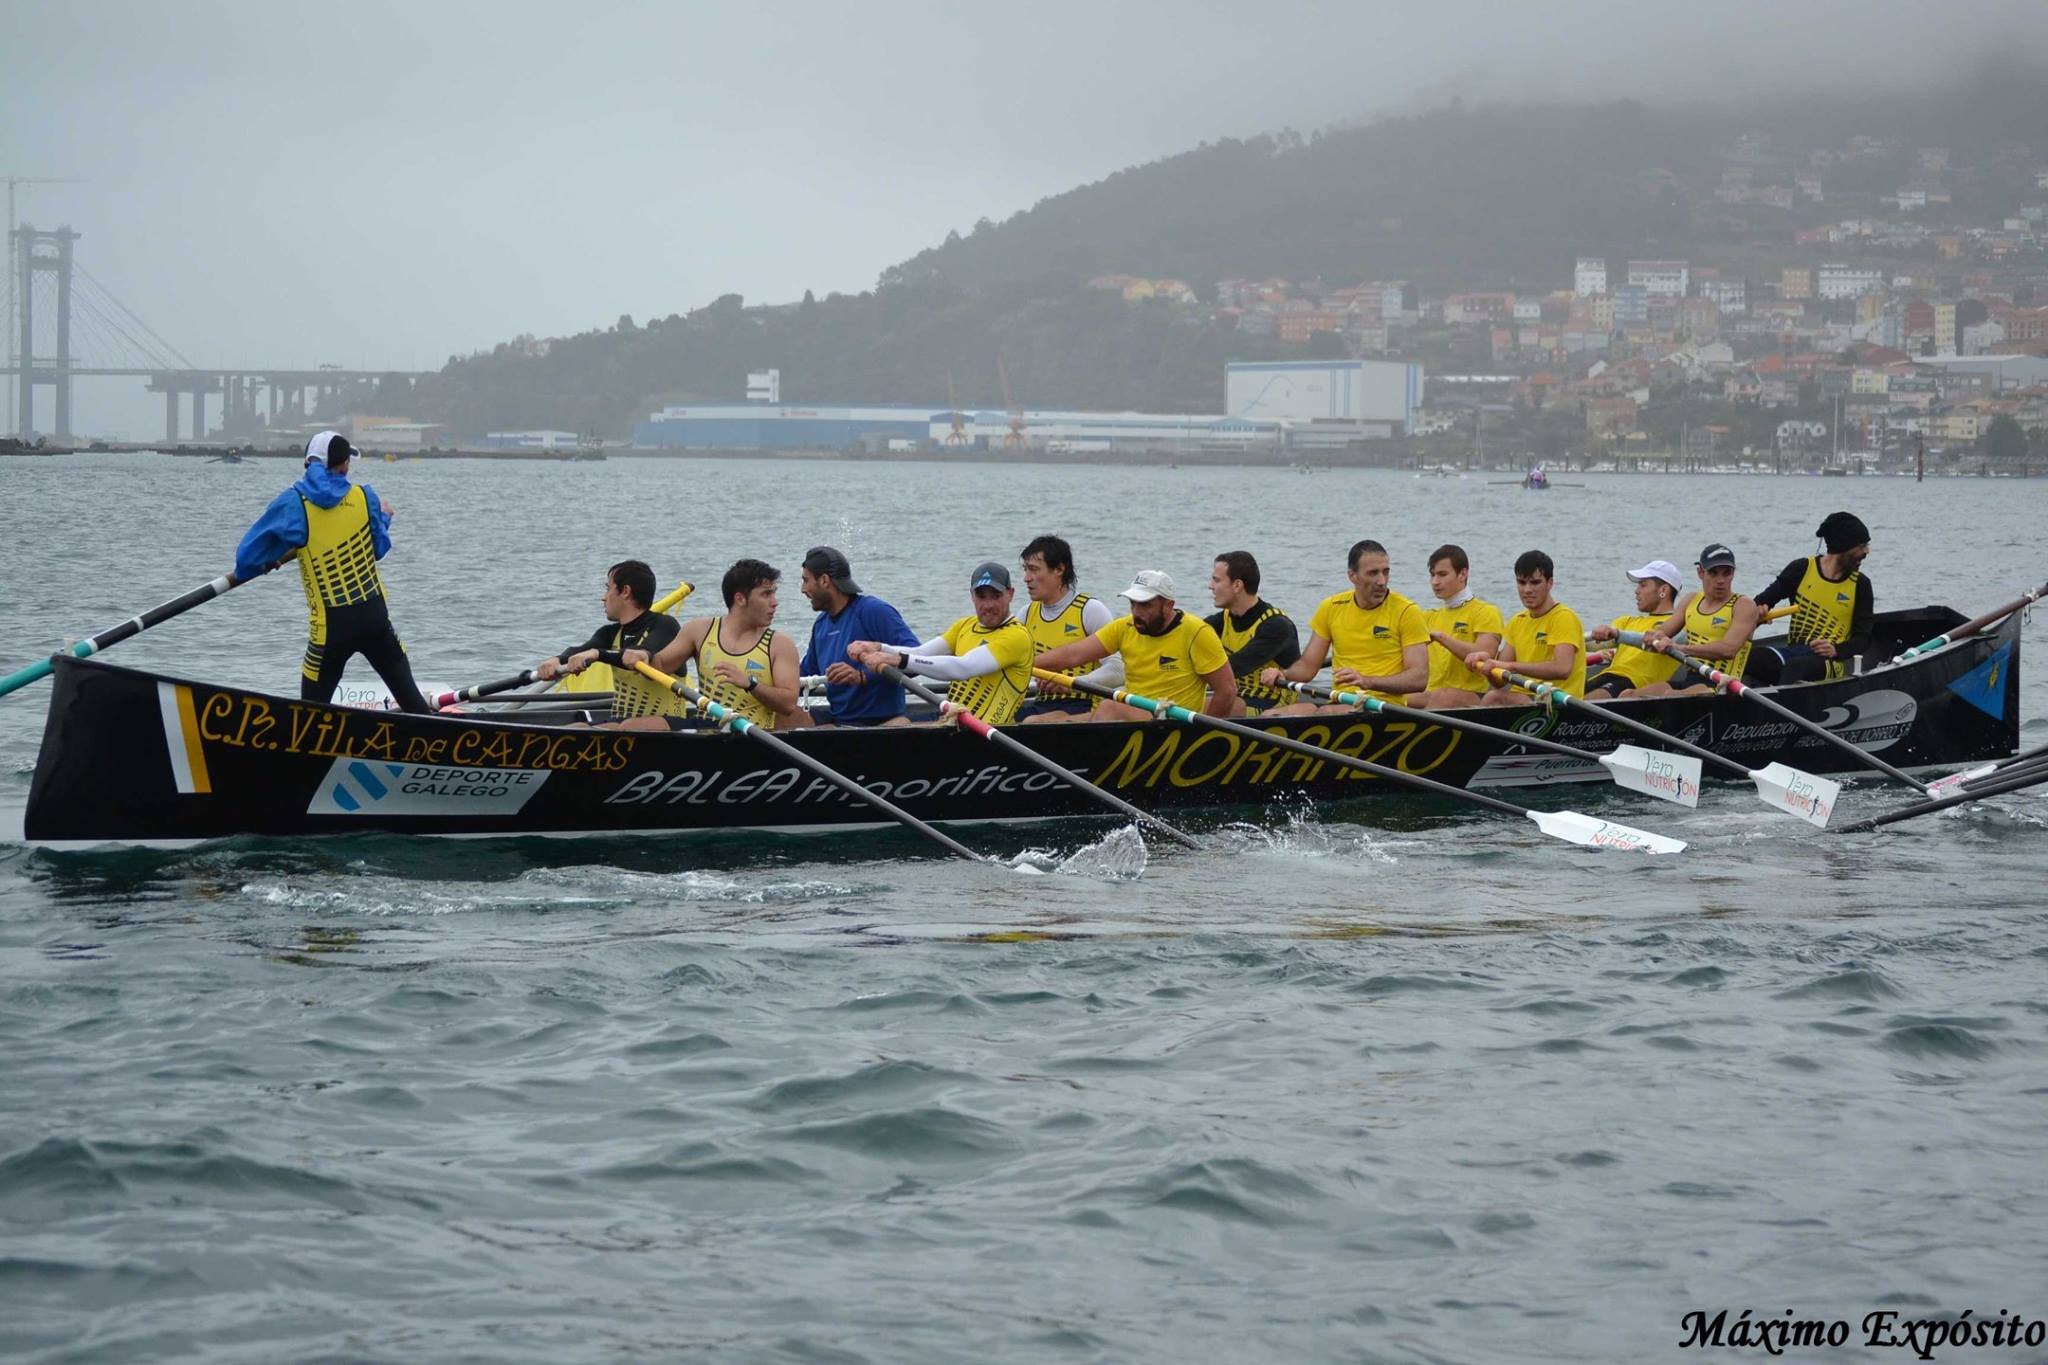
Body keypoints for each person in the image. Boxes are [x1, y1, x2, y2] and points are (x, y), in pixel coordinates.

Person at [234, 430, 429, 711]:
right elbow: (378, 548)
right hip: (375, 619)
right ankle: (431, 729)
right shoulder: (366, 497)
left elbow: (245, 562)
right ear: (345, 464)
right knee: (412, 702)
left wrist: (270, 558)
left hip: (331, 632)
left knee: (310, 716)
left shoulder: (293, 502)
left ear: (308, 463)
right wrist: (384, 517)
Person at [619, 559, 803, 731]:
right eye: (766, 594)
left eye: (773, 593)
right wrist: (643, 655)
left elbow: (788, 704)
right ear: (740, 599)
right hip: (706, 726)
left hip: (751, 731)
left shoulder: (780, 645)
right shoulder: (699, 630)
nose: (775, 603)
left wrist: (750, 684)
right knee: (632, 727)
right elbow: (659, 665)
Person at [1032, 570, 1238, 721]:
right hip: (1136, 714)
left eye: (1145, 605)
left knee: (1109, 708)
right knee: (1038, 722)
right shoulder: (1125, 627)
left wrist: (1202, 737)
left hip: (1171, 720)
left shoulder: (1197, 633)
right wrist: (1023, 666)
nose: (1136, 612)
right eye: (1133, 603)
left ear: (1168, 605)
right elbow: (1073, 654)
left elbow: (1227, 691)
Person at [848, 561, 1035, 726]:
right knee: (897, 723)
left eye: (996, 595)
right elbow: (920, 653)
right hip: (954, 725)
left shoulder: (1016, 636)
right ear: (972, 595)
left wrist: (899, 660)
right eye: (981, 596)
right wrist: (879, 647)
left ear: (1010, 594)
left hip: (991, 735)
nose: (988, 605)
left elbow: (963, 667)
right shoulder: (964, 626)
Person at [1259, 539, 1428, 714]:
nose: (1381, 581)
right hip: (1340, 701)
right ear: (1352, 575)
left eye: (1386, 572)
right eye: (1373, 573)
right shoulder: (1331, 607)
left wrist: (1368, 681)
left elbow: (1419, 678)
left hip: (1383, 706)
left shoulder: (1407, 611)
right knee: (1270, 715)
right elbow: (1307, 667)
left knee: (1326, 713)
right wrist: (1283, 674)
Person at [533, 560, 686, 723]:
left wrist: (598, 654)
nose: (603, 598)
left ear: (625, 591)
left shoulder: (665, 625)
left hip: (669, 724)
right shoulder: (609, 633)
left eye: (608, 589)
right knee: (579, 727)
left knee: (627, 726)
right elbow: (581, 650)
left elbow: (640, 654)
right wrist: (556, 660)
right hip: (623, 725)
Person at [793, 546, 920, 727]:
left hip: (881, 723)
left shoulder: (873, 611)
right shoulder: (821, 624)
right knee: (780, 717)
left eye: (806, 580)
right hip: (839, 720)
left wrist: (862, 676)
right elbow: (805, 675)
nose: (803, 589)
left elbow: (916, 661)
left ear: (824, 580)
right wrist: (761, 684)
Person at [1750, 511, 1873, 684]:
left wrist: (1836, 650)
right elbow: (1761, 601)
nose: (1867, 551)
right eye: (1862, 545)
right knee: (1753, 658)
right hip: (1793, 652)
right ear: (1844, 545)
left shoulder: (1860, 584)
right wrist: (1760, 610)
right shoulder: (1801, 569)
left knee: (1796, 667)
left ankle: (1778, 698)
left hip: (1829, 661)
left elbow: (1863, 638)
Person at [1015, 534, 1124, 720]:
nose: (1026, 578)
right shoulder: (1026, 614)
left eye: (1033, 569)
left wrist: (1072, 683)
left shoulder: (1090, 610)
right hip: (1041, 703)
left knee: (1031, 721)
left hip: (1082, 705)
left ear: (1059, 569)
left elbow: (1118, 669)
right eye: (1025, 569)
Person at [1632, 544, 1763, 697]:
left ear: (1733, 573)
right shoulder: (1691, 600)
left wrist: (1680, 648)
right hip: (1691, 680)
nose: (1720, 580)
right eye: (1713, 573)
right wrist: (1655, 636)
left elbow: (1728, 650)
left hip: (1723, 686)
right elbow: (1663, 631)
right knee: (1629, 694)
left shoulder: (1743, 605)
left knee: (1672, 695)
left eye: (1726, 573)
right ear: (1700, 572)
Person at [1469, 550, 1586, 704]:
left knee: (1493, 698)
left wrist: (1510, 667)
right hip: (1526, 698)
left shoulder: (1564, 618)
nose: (1527, 590)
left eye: (1535, 583)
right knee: (1493, 695)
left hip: (1558, 702)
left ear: (1550, 583)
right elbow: (1499, 682)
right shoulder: (1517, 621)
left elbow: (1562, 669)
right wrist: (1487, 665)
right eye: (1522, 583)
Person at [1407, 543, 1505, 709]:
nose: (1435, 582)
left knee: (1442, 696)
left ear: (1463, 574)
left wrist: (1441, 638)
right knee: (1389, 696)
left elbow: (1484, 654)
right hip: (1431, 694)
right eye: (1432, 575)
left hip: (1474, 695)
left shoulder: (1486, 612)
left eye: (1442, 575)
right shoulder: (1427, 617)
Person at [1203, 550, 1300, 713]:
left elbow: (1235, 667)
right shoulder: (1221, 621)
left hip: (1274, 705)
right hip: (1238, 696)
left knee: (1205, 705)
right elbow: (1188, 638)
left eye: (1216, 580)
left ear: (1237, 585)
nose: (1210, 586)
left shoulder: (1276, 626)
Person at [1583, 559, 1685, 698]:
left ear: (1663, 590)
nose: (1636, 591)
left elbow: (1659, 642)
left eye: (1643, 585)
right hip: (1607, 677)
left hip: (1635, 685)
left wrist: (1618, 634)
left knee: (1595, 696)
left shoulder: (1678, 627)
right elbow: (1592, 645)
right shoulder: (1627, 621)